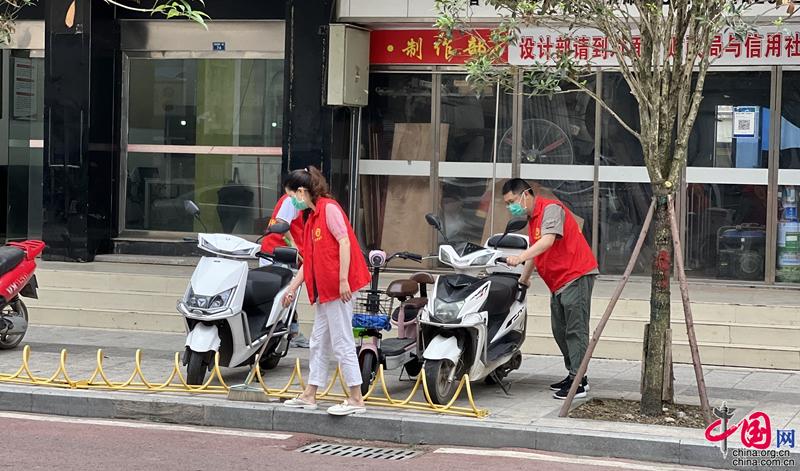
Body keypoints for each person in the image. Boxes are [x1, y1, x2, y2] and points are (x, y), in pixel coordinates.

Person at [280, 166, 371, 416]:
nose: (291, 201)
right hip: (324, 290)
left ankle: (356, 398)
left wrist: (343, 280)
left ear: (302, 191)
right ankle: (310, 394)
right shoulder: (311, 218)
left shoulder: (329, 209)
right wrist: (292, 288)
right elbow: (309, 261)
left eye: (291, 196)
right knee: (318, 341)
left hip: (337, 289)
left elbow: (344, 242)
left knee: (342, 341)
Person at [502, 178, 599, 400]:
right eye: (507, 204)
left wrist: (518, 258)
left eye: (512, 201)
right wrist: (523, 281)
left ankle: (578, 382)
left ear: (526, 194)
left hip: (576, 275)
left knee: (575, 330)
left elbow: (547, 241)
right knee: (560, 330)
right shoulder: (533, 220)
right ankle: (574, 374)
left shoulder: (551, 209)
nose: (510, 207)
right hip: (558, 281)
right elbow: (537, 253)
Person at [261, 181, 308, 348]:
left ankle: (292, 332)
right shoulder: (291, 200)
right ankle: (280, 334)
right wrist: (294, 244)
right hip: (278, 254)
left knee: (288, 295)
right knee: (282, 297)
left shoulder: (299, 201)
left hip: (284, 254)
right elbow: (281, 222)